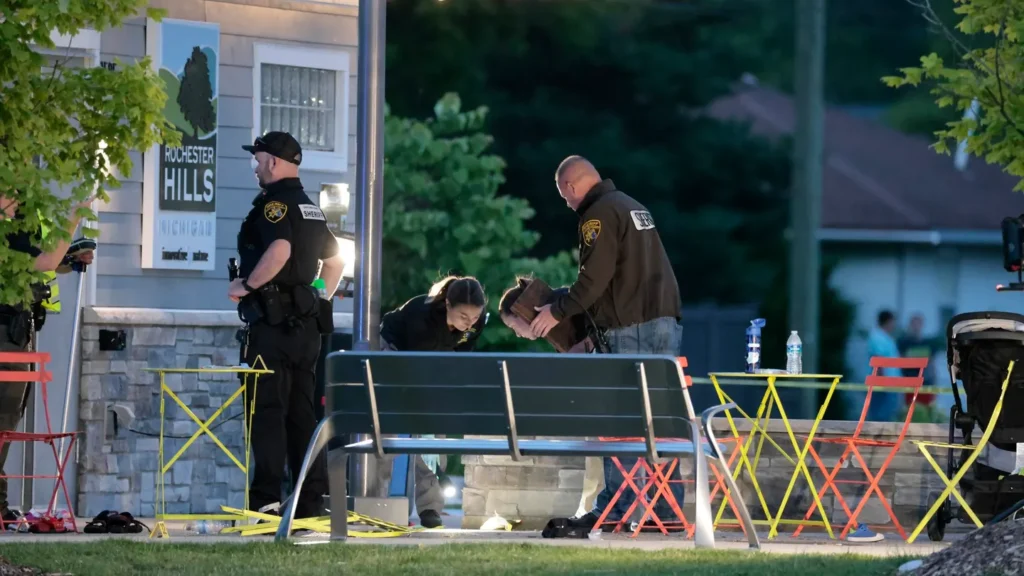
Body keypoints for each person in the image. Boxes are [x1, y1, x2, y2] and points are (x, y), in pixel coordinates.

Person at [528, 155, 684, 530]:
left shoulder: (597, 215)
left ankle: (619, 507)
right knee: (657, 419)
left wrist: (558, 310)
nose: (566, 203)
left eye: (563, 195)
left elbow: (595, 276)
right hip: (665, 321)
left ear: (570, 186)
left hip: (631, 327)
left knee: (624, 417)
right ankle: (665, 511)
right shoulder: (633, 207)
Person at [233, 131, 345, 521]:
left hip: (272, 326)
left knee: (266, 410)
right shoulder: (310, 208)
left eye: (258, 160)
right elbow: (335, 263)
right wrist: (318, 297)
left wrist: (245, 285)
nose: (255, 168)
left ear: (275, 163)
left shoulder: (274, 207)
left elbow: (278, 251)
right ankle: (309, 504)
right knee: (302, 415)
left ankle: (264, 503)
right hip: (307, 330)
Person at [1, 192, 94, 525]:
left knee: (8, 421)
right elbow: (41, 263)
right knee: (2, 421)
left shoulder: (24, 219)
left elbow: (39, 260)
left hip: (18, 332)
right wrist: (73, 218)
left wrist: (70, 259)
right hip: (4, 333)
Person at [374, 275, 488, 527]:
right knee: (386, 429)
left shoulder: (474, 324)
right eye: (463, 317)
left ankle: (430, 507)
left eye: (475, 317)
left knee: (436, 432)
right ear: (447, 305)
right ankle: (376, 502)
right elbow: (416, 372)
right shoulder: (421, 315)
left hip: (430, 367)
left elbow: (457, 362)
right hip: (393, 355)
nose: (470, 324)